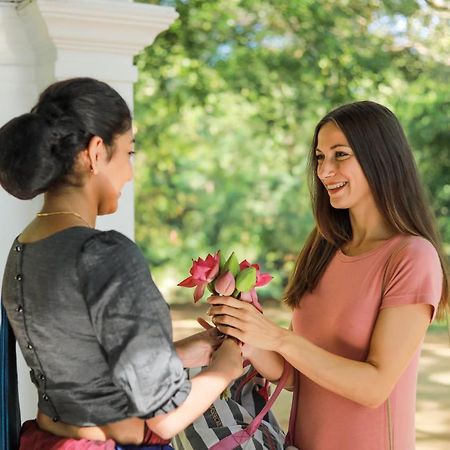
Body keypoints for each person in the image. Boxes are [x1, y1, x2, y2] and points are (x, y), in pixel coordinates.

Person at [0, 77, 243, 450]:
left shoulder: (24, 248)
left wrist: (176, 354)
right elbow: (166, 418)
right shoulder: (103, 253)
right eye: (129, 153)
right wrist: (227, 364)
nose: (130, 173)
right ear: (97, 152)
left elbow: (78, 362)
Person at [207, 101, 449, 450]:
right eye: (320, 157)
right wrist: (247, 333)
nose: (324, 170)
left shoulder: (411, 257)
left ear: (379, 157)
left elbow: (374, 387)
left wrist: (278, 338)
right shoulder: (324, 246)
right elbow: (293, 377)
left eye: (340, 155)